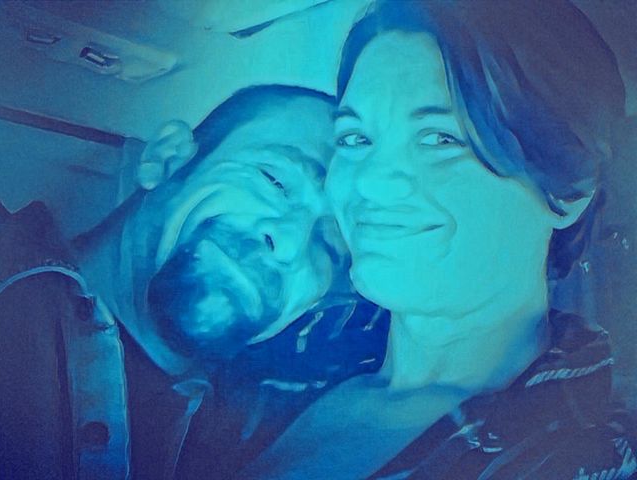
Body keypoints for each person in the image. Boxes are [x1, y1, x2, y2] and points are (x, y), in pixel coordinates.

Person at [241, 2, 637, 479]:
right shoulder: (284, 344)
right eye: (354, 138)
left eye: (440, 139)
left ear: (567, 192)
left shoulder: (585, 458)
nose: (368, 182)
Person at [0, 84, 388, 479]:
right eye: (275, 181)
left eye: (330, 245)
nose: (291, 245)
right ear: (166, 159)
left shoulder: (260, 452)